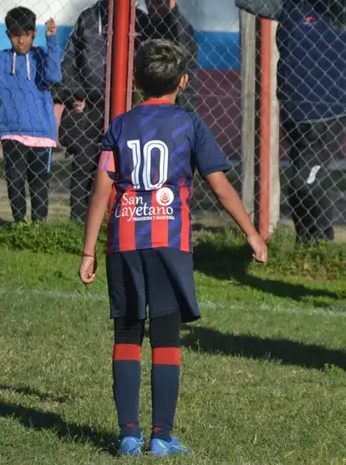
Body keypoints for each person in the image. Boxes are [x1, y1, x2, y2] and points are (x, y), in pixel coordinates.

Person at [78, 39, 267, 457]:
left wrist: (89, 250)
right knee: (165, 339)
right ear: (183, 81)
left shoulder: (120, 125)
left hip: (124, 242)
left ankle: (128, 435)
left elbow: (100, 193)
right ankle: (161, 438)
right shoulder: (191, 125)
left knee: (126, 335)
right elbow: (220, 187)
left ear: (137, 81)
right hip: (168, 243)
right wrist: (251, 233)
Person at [235, 0, 346, 244]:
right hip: (295, 113)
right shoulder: (287, 3)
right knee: (297, 187)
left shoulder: (335, 5)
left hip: (327, 115)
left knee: (307, 182)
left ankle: (324, 244)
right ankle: (308, 246)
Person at [57, 0, 149, 223]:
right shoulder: (88, 18)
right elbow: (70, 60)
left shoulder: (141, 21)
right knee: (85, 165)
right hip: (89, 105)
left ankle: (125, 221)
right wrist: (74, 93)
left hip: (129, 106)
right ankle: (78, 222)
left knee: (128, 165)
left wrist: (141, 98)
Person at [0, 8, 62, 223]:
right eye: (16, 35)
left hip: (41, 134)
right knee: (15, 181)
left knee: (39, 184)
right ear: (8, 35)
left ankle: (38, 229)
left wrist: (52, 40)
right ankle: (18, 225)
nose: (21, 40)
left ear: (34, 33)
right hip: (12, 132)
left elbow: (54, 76)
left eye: (26, 34)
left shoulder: (42, 56)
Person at [141, 0, 198, 112]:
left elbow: (183, 67)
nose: (153, 8)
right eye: (149, 3)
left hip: (177, 97)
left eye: (158, 2)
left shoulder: (179, 28)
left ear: (171, 1)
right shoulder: (150, 23)